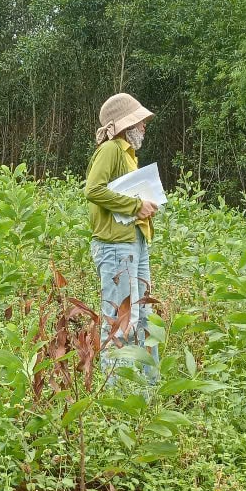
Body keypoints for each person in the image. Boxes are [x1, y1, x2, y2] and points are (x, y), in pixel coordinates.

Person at [84, 93, 159, 382]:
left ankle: (146, 388)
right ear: (127, 125)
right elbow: (93, 190)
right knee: (120, 321)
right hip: (116, 246)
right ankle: (117, 392)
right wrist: (134, 205)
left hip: (135, 242)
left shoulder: (128, 155)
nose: (143, 127)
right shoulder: (111, 149)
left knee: (144, 318)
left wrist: (145, 206)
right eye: (140, 122)